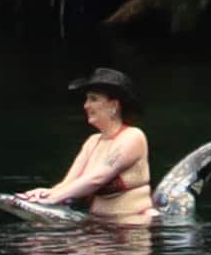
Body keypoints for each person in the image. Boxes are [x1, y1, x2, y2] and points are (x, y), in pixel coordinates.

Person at [14, 67, 150, 224]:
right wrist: (44, 194)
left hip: (132, 231)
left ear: (113, 106)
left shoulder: (133, 137)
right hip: (98, 228)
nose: (86, 105)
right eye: (86, 99)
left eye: (93, 99)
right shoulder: (92, 142)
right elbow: (68, 184)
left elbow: (97, 179)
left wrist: (52, 200)